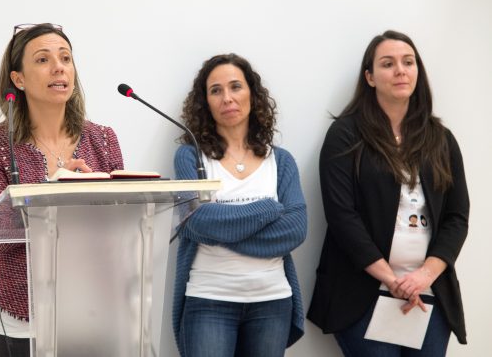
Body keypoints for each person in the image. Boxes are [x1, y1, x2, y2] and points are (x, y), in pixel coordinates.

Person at [307, 30, 469, 356]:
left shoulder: (441, 138)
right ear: (369, 77)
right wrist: (392, 279)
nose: (400, 70)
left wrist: (423, 276)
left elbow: (457, 217)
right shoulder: (346, 135)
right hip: (365, 291)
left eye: (408, 62)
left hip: (428, 290)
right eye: (388, 64)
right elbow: (342, 217)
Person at [0, 23, 124, 357]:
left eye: (65, 58)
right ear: (18, 80)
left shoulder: (104, 140)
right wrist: (53, 189)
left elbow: (120, 227)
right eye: (43, 60)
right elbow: (0, 235)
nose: (59, 67)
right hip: (25, 320)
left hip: (93, 314)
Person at [172, 53, 307, 357]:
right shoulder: (190, 157)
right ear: (205, 102)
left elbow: (296, 230)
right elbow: (195, 222)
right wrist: (267, 210)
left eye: (236, 87)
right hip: (209, 300)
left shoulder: (281, 161)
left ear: (252, 94)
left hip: (272, 302)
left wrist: (221, 227)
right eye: (215, 90)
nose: (227, 98)